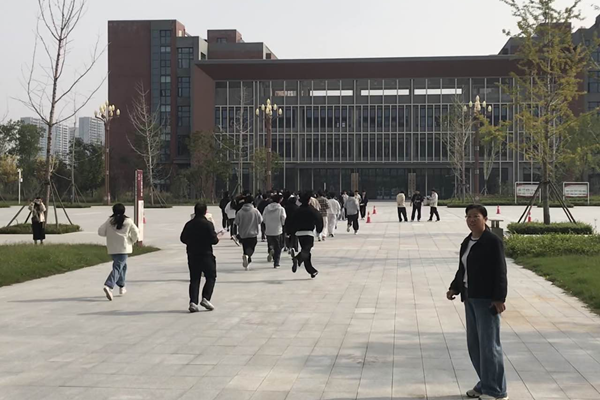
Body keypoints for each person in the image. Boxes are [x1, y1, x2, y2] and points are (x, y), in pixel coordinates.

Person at [447, 205, 508, 400]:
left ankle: (496, 391)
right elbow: (462, 269)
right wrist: (455, 287)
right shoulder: (467, 242)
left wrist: (499, 298)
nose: (471, 220)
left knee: (489, 346)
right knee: (475, 345)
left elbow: (500, 271)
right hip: (470, 297)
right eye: (468, 216)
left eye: (476, 216)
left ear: (485, 219)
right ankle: (485, 383)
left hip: (486, 299)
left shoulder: (492, 242)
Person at [180, 203, 220, 313]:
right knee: (211, 276)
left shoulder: (189, 224)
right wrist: (216, 238)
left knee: (194, 278)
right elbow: (214, 240)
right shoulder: (208, 224)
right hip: (206, 253)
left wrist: (191, 242)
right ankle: (206, 298)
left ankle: (193, 302)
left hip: (192, 254)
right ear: (205, 211)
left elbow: (182, 238)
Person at [98, 203, 140, 301]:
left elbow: (100, 231)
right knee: (118, 267)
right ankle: (109, 285)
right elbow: (136, 233)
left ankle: (121, 286)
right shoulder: (128, 221)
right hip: (124, 248)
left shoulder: (109, 221)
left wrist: (110, 235)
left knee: (122, 266)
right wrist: (132, 240)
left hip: (112, 248)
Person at [286, 191, 323, 279]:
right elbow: (319, 220)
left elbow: (290, 221)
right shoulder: (312, 210)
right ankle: (297, 258)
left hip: (299, 233)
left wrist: (290, 232)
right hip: (308, 232)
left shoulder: (297, 210)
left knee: (306, 251)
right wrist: (319, 230)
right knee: (306, 250)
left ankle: (312, 271)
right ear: (309, 200)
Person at [235, 195, 263, 270]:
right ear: (252, 202)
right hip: (253, 233)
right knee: (252, 247)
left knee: (245, 247)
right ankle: (247, 256)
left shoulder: (240, 212)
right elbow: (260, 220)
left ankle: (246, 259)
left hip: (243, 234)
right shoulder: (255, 211)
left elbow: (236, 222)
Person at [263, 193, 287, 268]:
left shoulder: (267, 208)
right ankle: (276, 263)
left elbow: (264, 218)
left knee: (271, 243)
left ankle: (271, 249)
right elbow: (283, 218)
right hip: (277, 230)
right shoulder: (281, 209)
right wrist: (282, 224)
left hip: (268, 229)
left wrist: (267, 223)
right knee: (278, 247)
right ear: (279, 200)